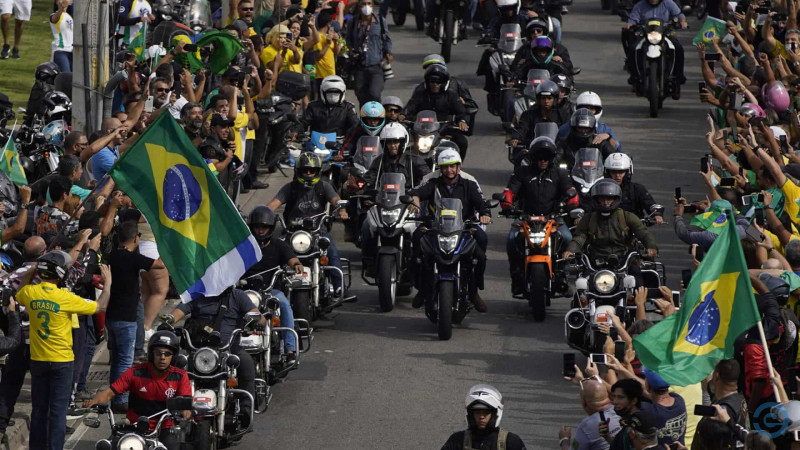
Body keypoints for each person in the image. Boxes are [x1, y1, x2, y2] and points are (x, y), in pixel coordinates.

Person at [17, 251, 112, 450]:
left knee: (39, 410)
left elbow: (21, 290)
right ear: (60, 275)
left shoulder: (30, 293)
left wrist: (32, 270)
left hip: (38, 360)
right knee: (58, 412)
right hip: (61, 361)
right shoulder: (65, 298)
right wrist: (108, 283)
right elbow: (100, 307)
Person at [167, 286, 267, 429]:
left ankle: (246, 408)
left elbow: (259, 316)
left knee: (246, 362)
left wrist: (257, 323)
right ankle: (170, 411)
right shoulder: (196, 294)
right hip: (198, 351)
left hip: (229, 350)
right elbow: (178, 312)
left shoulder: (237, 295)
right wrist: (168, 322)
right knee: (177, 365)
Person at [409, 149, 490, 312]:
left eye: (452, 166)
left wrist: (485, 214)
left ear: (458, 167)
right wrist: (415, 200)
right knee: (416, 244)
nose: (449, 170)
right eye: (445, 167)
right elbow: (417, 192)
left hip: (464, 227)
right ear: (441, 168)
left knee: (481, 247)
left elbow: (481, 203)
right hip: (436, 227)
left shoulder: (469, 184)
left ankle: (474, 291)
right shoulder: (434, 184)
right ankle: (422, 289)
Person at [83, 331, 191, 450]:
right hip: (134, 427)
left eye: (167, 354)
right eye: (158, 353)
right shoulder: (135, 372)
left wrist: (185, 412)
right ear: (151, 354)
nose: (162, 357)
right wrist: (94, 403)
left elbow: (186, 403)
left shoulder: (180, 376)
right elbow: (109, 393)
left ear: (173, 356)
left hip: (165, 427)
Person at [501, 137, 575, 295]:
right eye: (539, 157)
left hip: (553, 217)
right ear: (533, 157)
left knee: (568, 238)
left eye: (546, 157)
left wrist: (572, 203)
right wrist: (507, 205)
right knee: (511, 240)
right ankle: (516, 278)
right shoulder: (522, 172)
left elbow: (571, 191)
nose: (543, 160)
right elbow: (509, 191)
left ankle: (562, 275)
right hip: (525, 217)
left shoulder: (559, 173)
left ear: (552, 158)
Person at [267, 153, 349, 296]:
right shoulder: (290, 188)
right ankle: (271, 287)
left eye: (312, 170)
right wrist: (263, 213)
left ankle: (339, 286)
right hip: (291, 233)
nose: (309, 174)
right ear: (298, 171)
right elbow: (273, 204)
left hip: (318, 232)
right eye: (305, 170)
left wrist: (341, 209)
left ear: (318, 171)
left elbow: (335, 199)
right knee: (274, 253)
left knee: (332, 253)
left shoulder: (324, 186)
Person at [105, 221, 165, 412]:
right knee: (124, 361)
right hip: (127, 318)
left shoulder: (111, 257)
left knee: (116, 359)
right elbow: (159, 265)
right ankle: (120, 398)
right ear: (136, 238)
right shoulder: (134, 259)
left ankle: (114, 396)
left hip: (111, 315)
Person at [243, 206, 298, 362]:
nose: (261, 231)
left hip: (270, 290)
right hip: (246, 292)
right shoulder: (244, 246)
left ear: (271, 228)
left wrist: (296, 264)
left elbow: (291, 258)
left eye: (264, 227)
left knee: (285, 306)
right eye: (257, 227)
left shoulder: (278, 245)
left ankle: (290, 349)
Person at [563, 179, 658, 266]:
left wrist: (651, 246)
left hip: (624, 261)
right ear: (596, 199)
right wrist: (571, 250)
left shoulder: (627, 216)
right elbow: (579, 237)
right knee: (581, 283)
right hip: (596, 263)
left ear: (616, 199)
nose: (605, 202)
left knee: (637, 280)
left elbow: (643, 233)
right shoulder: (588, 219)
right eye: (602, 199)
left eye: (609, 199)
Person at [405, 64, 470, 159]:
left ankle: (457, 167)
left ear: (443, 82)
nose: (435, 84)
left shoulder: (451, 94)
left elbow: (461, 111)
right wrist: (403, 114)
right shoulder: (420, 93)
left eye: (438, 82)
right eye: (432, 81)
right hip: (421, 129)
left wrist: (462, 121)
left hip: (445, 129)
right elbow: (411, 106)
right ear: (428, 81)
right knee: (401, 141)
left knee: (462, 142)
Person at [441, 384, 527, 450]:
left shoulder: (510, 442)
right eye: (477, 412)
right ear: (471, 414)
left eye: (486, 413)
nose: (481, 417)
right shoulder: (457, 440)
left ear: (494, 414)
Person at [622, 0, 687, 87]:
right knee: (634, 49)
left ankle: (678, 76)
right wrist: (629, 24)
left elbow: (679, 15)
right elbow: (632, 19)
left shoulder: (669, 3)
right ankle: (635, 75)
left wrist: (682, 22)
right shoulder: (640, 5)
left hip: (665, 33)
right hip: (645, 34)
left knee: (678, 48)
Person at [343, 0, 393, 105]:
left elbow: (386, 39)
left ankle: (378, 116)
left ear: (373, 5)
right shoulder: (353, 22)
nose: (367, 6)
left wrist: (388, 52)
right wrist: (351, 51)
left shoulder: (380, 21)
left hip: (376, 66)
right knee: (362, 96)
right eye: (364, 4)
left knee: (374, 94)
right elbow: (348, 40)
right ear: (359, 6)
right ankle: (364, 120)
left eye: (369, 3)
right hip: (359, 67)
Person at [558, 378, 621, 450]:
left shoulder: (587, 425)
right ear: (608, 395)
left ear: (584, 401)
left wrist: (564, 440)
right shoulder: (623, 411)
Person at [604, 153, 662, 224]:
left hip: (633, 229)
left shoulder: (637, 189)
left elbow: (650, 203)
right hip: (606, 228)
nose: (617, 176)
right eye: (613, 172)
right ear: (607, 172)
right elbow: (587, 204)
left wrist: (656, 214)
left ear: (628, 172)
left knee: (647, 235)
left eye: (621, 172)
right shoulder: (599, 189)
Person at [510, 81, 571, 147]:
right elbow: (522, 129)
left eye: (549, 98)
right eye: (543, 98)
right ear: (539, 99)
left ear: (554, 99)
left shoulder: (562, 115)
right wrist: (516, 137)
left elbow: (568, 132)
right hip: (532, 150)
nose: (546, 101)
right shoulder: (528, 114)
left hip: (556, 150)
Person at [557, 91, 622, 151]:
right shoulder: (565, 128)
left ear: (597, 110)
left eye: (592, 108)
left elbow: (617, 149)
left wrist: (608, 137)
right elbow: (558, 147)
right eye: (584, 108)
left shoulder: (604, 129)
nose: (587, 112)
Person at [302, 75, 359, 143]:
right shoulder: (313, 106)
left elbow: (355, 125)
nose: (332, 96)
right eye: (329, 93)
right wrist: (296, 131)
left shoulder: (348, 107)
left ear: (342, 93)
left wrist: (350, 136)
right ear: (323, 92)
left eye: (336, 93)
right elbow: (303, 122)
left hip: (339, 145)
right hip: (315, 143)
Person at [49, 0, 73, 72]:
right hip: (61, 50)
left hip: (71, 51)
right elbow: (55, 19)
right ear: (56, 2)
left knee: (74, 79)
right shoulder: (54, 15)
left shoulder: (70, 17)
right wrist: (61, 8)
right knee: (66, 76)